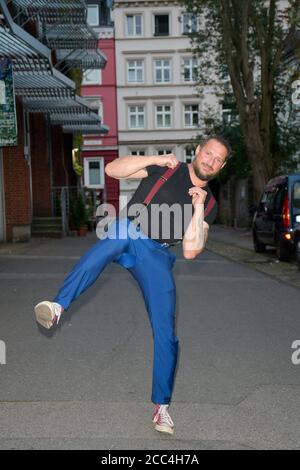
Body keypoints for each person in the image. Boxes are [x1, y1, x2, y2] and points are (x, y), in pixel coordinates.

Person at [34, 135, 231, 435]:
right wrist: (153, 159)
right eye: (208, 153)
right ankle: (59, 305)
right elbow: (113, 170)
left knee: (167, 333)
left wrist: (198, 208)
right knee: (119, 230)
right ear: (199, 151)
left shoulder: (211, 204)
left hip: (157, 255)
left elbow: (191, 251)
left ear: (222, 165)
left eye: (218, 159)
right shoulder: (166, 168)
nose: (211, 161)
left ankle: (161, 408)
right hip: (130, 231)